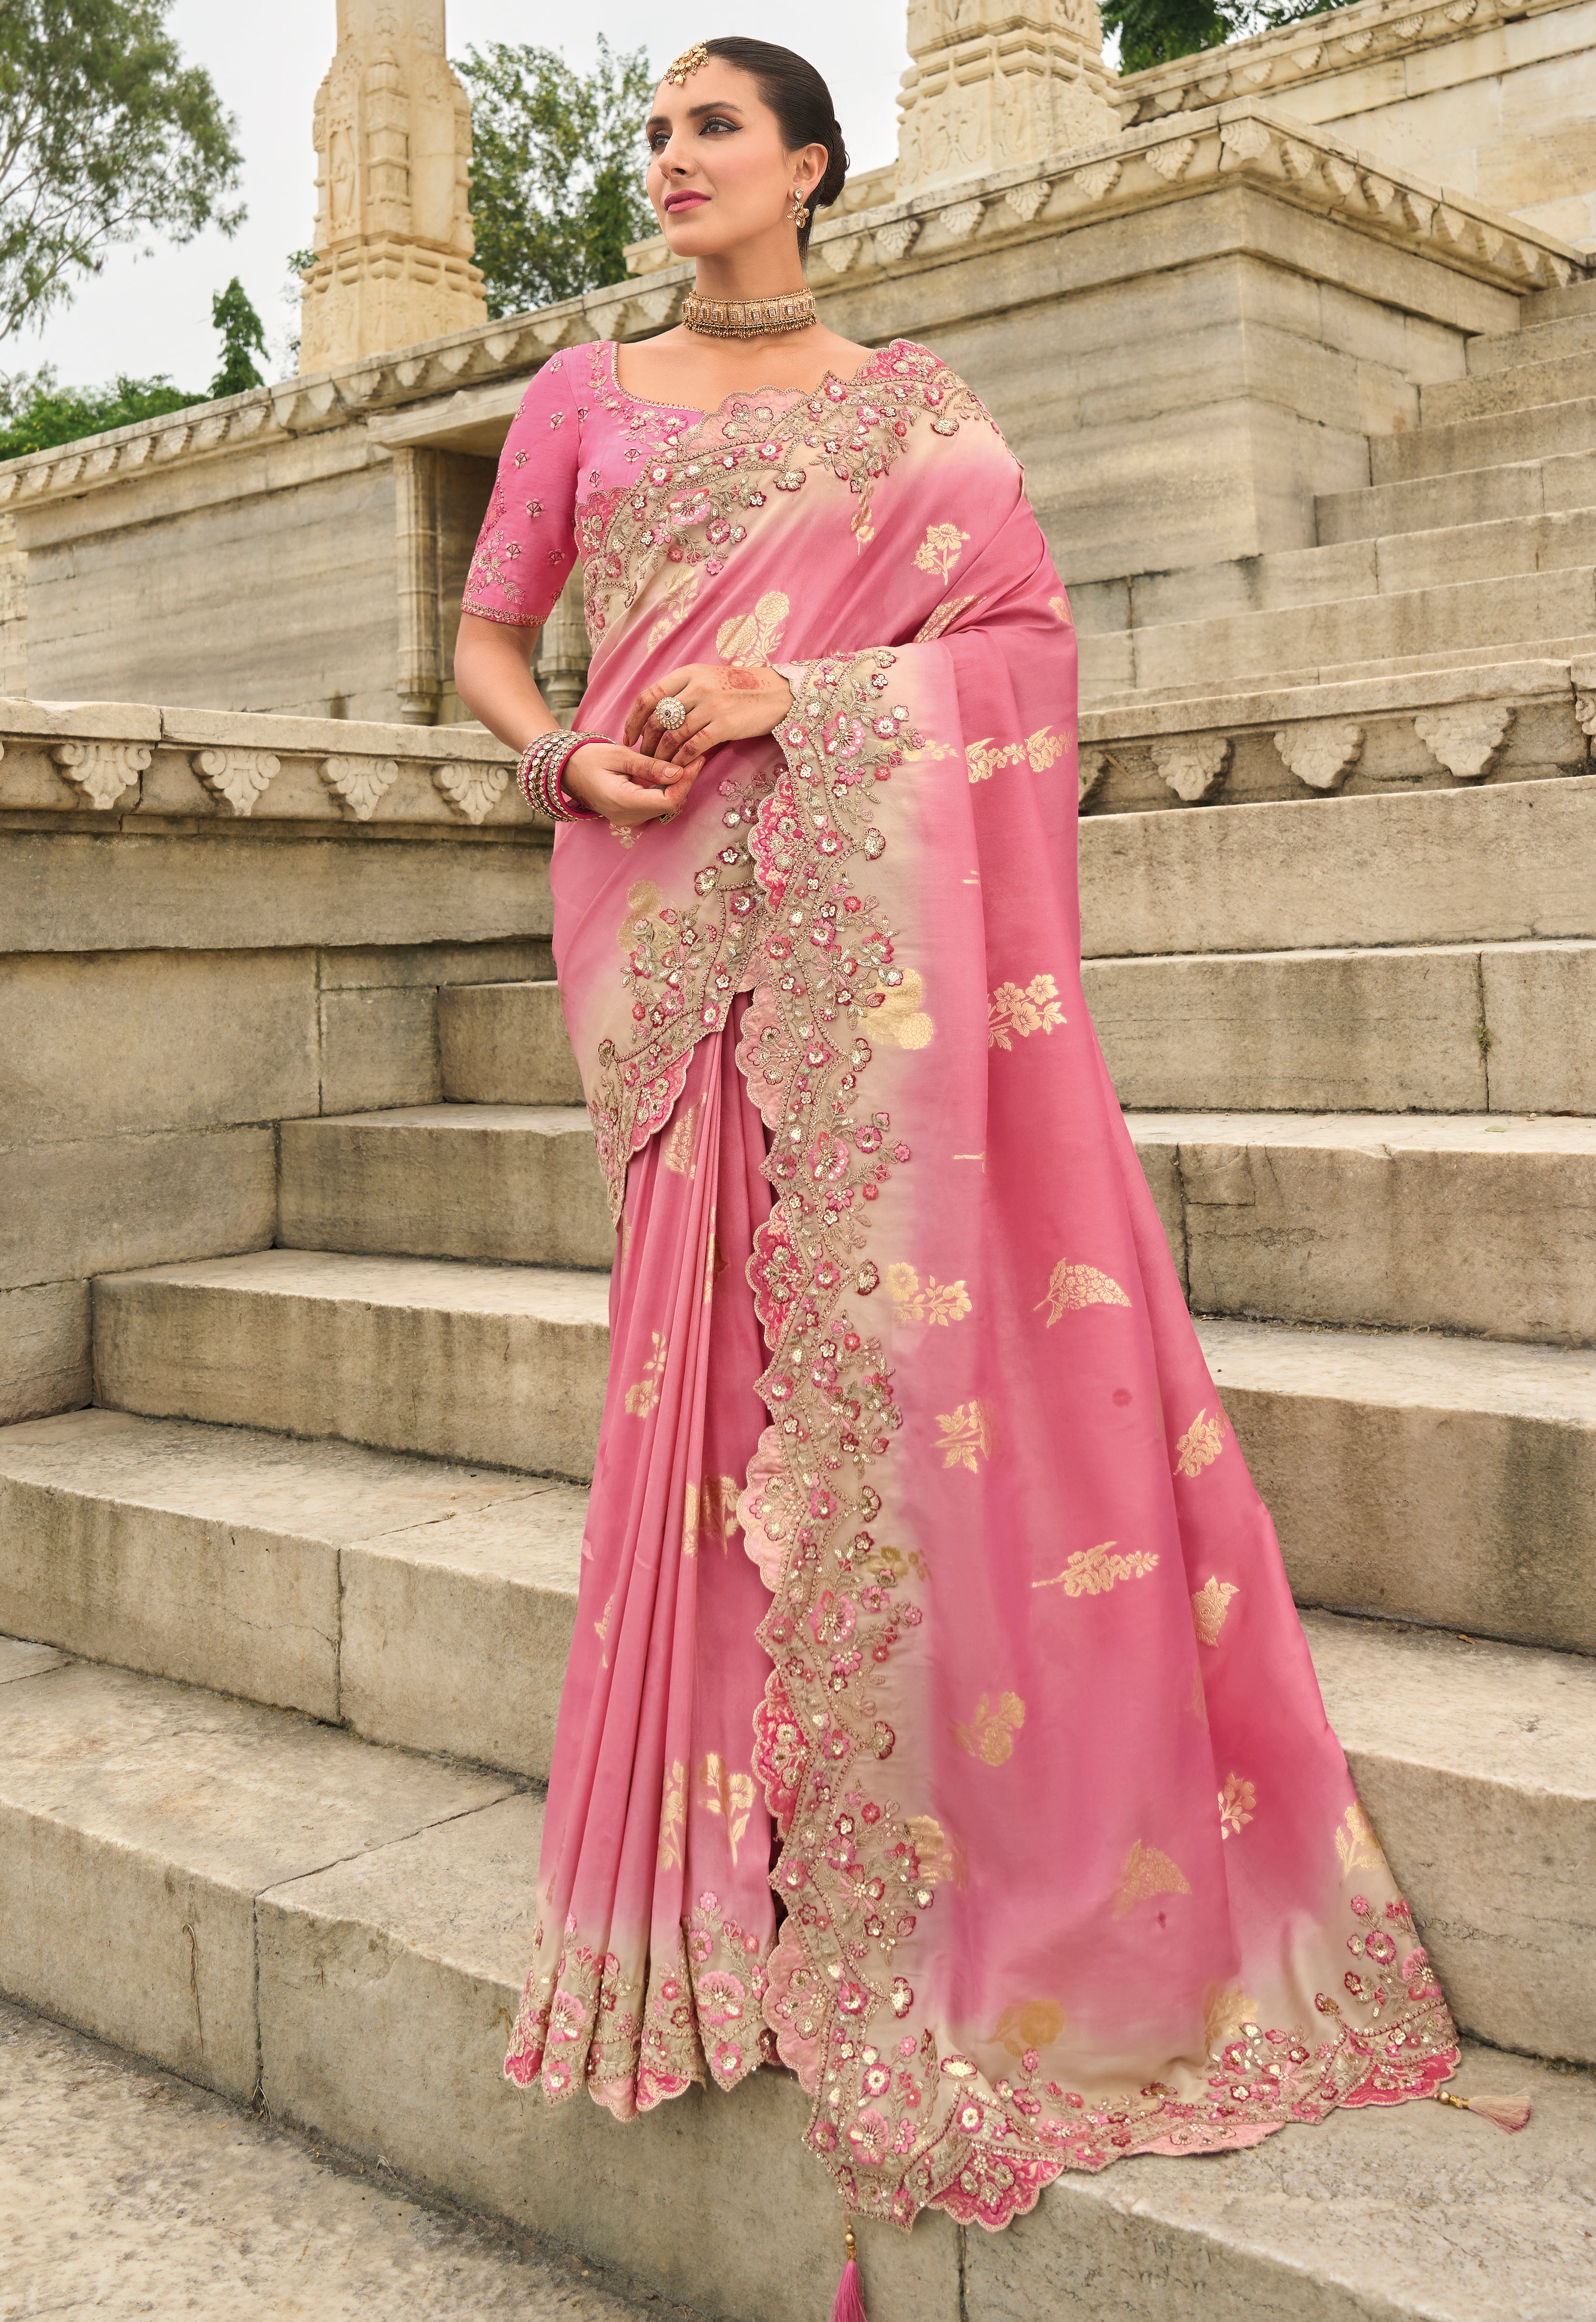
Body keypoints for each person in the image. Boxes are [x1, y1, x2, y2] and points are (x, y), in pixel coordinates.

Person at [454, 29, 1475, 2281]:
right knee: (697, 1395)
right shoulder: (582, 396)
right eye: (657, 131)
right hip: (670, 943)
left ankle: (895, 1849)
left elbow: (1017, 658)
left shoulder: (918, 410)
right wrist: (562, 766)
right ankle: (700, 1890)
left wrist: (796, 707)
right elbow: (488, 637)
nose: (671, 160)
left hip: (859, 942)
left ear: (811, 166)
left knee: (858, 1399)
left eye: (714, 127)